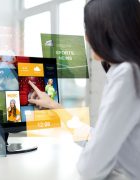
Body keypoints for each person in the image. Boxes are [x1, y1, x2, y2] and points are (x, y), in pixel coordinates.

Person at [28, 0, 140, 179]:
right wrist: (56, 107)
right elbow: (100, 137)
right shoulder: (126, 69)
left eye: (89, 29)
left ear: (106, 32)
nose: (87, 38)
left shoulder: (127, 73)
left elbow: (91, 167)